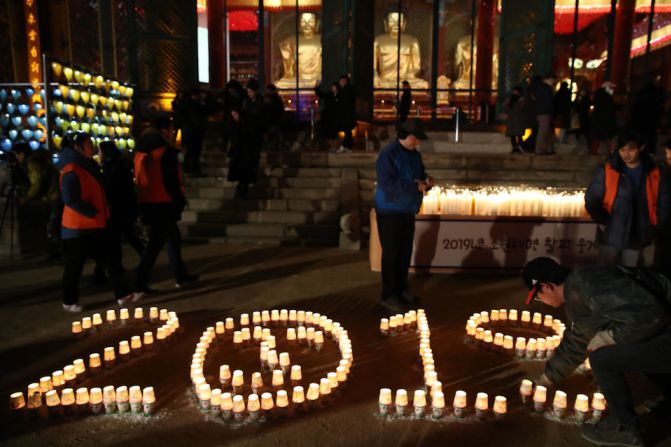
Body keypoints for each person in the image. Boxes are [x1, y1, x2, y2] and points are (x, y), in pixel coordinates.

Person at [522, 256, 671, 447]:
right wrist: (547, 379)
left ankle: (623, 428)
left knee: (602, 358)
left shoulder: (590, 285)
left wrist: (610, 337)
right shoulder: (579, 288)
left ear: (546, 287)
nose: (539, 301)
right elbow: (577, 340)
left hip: (665, 329)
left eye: (536, 296)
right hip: (664, 330)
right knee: (630, 346)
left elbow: (650, 313)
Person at [58, 131, 135, 312]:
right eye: (89, 143)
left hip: (96, 223)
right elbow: (70, 199)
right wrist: (92, 212)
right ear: (78, 147)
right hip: (77, 227)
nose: (92, 147)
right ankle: (69, 301)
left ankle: (123, 294)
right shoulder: (71, 169)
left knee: (111, 259)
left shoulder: (88, 165)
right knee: (74, 266)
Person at [134, 116, 199, 295]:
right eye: (170, 130)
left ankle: (181, 275)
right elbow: (171, 181)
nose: (172, 133)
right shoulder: (165, 152)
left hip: (149, 201)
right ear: (164, 130)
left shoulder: (142, 149)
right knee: (155, 244)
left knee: (172, 238)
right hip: (164, 202)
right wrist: (179, 201)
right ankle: (140, 283)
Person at [374, 119, 434, 312]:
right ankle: (389, 294)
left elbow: (420, 174)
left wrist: (427, 180)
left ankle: (401, 289)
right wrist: (414, 186)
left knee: (404, 252)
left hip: (407, 209)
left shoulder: (415, 155)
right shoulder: (388, 155)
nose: (418, 142)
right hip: (390, 210)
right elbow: (387, 183)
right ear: (405, 135)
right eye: (416, 138)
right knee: (392, 253)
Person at [585, 131, 670, 267]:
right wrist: (603, 220)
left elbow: (664, 203)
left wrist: (656, 227)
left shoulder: (655, 173)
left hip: (640, 234)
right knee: (606, 275)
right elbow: (592, 198)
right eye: (622, 150)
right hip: (611, 233)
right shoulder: (608, 171)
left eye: (630, 149)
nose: (626, 154)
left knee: (633, 278)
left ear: (641, 148)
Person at [13, 143, 62, 260]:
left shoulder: (32, 163)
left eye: (16, 155)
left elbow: (37, 184)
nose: (16, 158)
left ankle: (58, 255)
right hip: (55, 195)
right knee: (53, 226)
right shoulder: (40, 161)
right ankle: (55, 253)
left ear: (22, 154)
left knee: (52, 227)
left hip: (53, 197)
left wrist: (25, 198)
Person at [99, 141, 144, 259]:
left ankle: (118, 266)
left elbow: (113, 189)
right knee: (129, 236)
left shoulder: (111, 168)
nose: (98, 154)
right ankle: (145, 257)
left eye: (100, 151)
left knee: (117, 238)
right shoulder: (120, 165)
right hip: (124, 207)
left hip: (117, 208)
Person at [227, 106, 257, 198]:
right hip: (238, 153)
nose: (234, 117)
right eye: (233, 115)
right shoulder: (234, 125)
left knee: (244, 173)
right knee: (241, 174)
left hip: (244, 153)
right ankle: (242, 190)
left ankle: (243, 190)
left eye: (235, 115)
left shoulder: (245, 125)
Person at [182, 87, 206, 175]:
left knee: (193, 151)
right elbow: (195, 118)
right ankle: (191, 168)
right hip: (193, 131)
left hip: (192, 131)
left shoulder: (189, 103)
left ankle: (191, 167)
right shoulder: (192, 104)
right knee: (193, 150)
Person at [529, 73, 555, 155]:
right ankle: (539, 150)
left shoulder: (537, 88)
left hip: (539, 112)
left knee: (546, 131)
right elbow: (549, 102)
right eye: (553, 80)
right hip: (545, 112)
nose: (553, 82)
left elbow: (534, 98)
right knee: (543, 131)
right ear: (549, 79)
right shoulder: (547, 88)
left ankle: (548, 149)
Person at [590, 82, 618, 155]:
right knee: (606, 137)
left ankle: (594, 152)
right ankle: (609, 153)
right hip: (604, 120)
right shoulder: (606, 96)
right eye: (611, 88)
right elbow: (610, 108)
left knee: (598, 137)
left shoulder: (599, 95)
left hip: (599, 120)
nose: (612, 89)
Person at [336, 74, 356, 153]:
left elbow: (345, 103)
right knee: (347, 131)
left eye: (342, 81)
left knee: (347, 131)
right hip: (347, 114)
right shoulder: (345, 90)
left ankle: (345, 146)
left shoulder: (347, 90)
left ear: (345, 81)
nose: (340, 82)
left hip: (347, 114)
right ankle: (348, 146)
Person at [505, 86, 527, 154]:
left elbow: (524, 109)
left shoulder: (522, 100)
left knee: (519, 135)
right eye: (513, 91)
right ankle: (515, 148)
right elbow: (506, 110)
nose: (514, 92)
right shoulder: (510, 100)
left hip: (518, 120)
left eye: (515, 91)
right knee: (513, 136)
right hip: (512, 120)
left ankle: (520, 148)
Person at [263, 84, 285, 152]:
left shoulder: (277, 100)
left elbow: (279, 111)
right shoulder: (265, 100)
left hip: (274, 123)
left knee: (274, 140)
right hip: (268, 123)